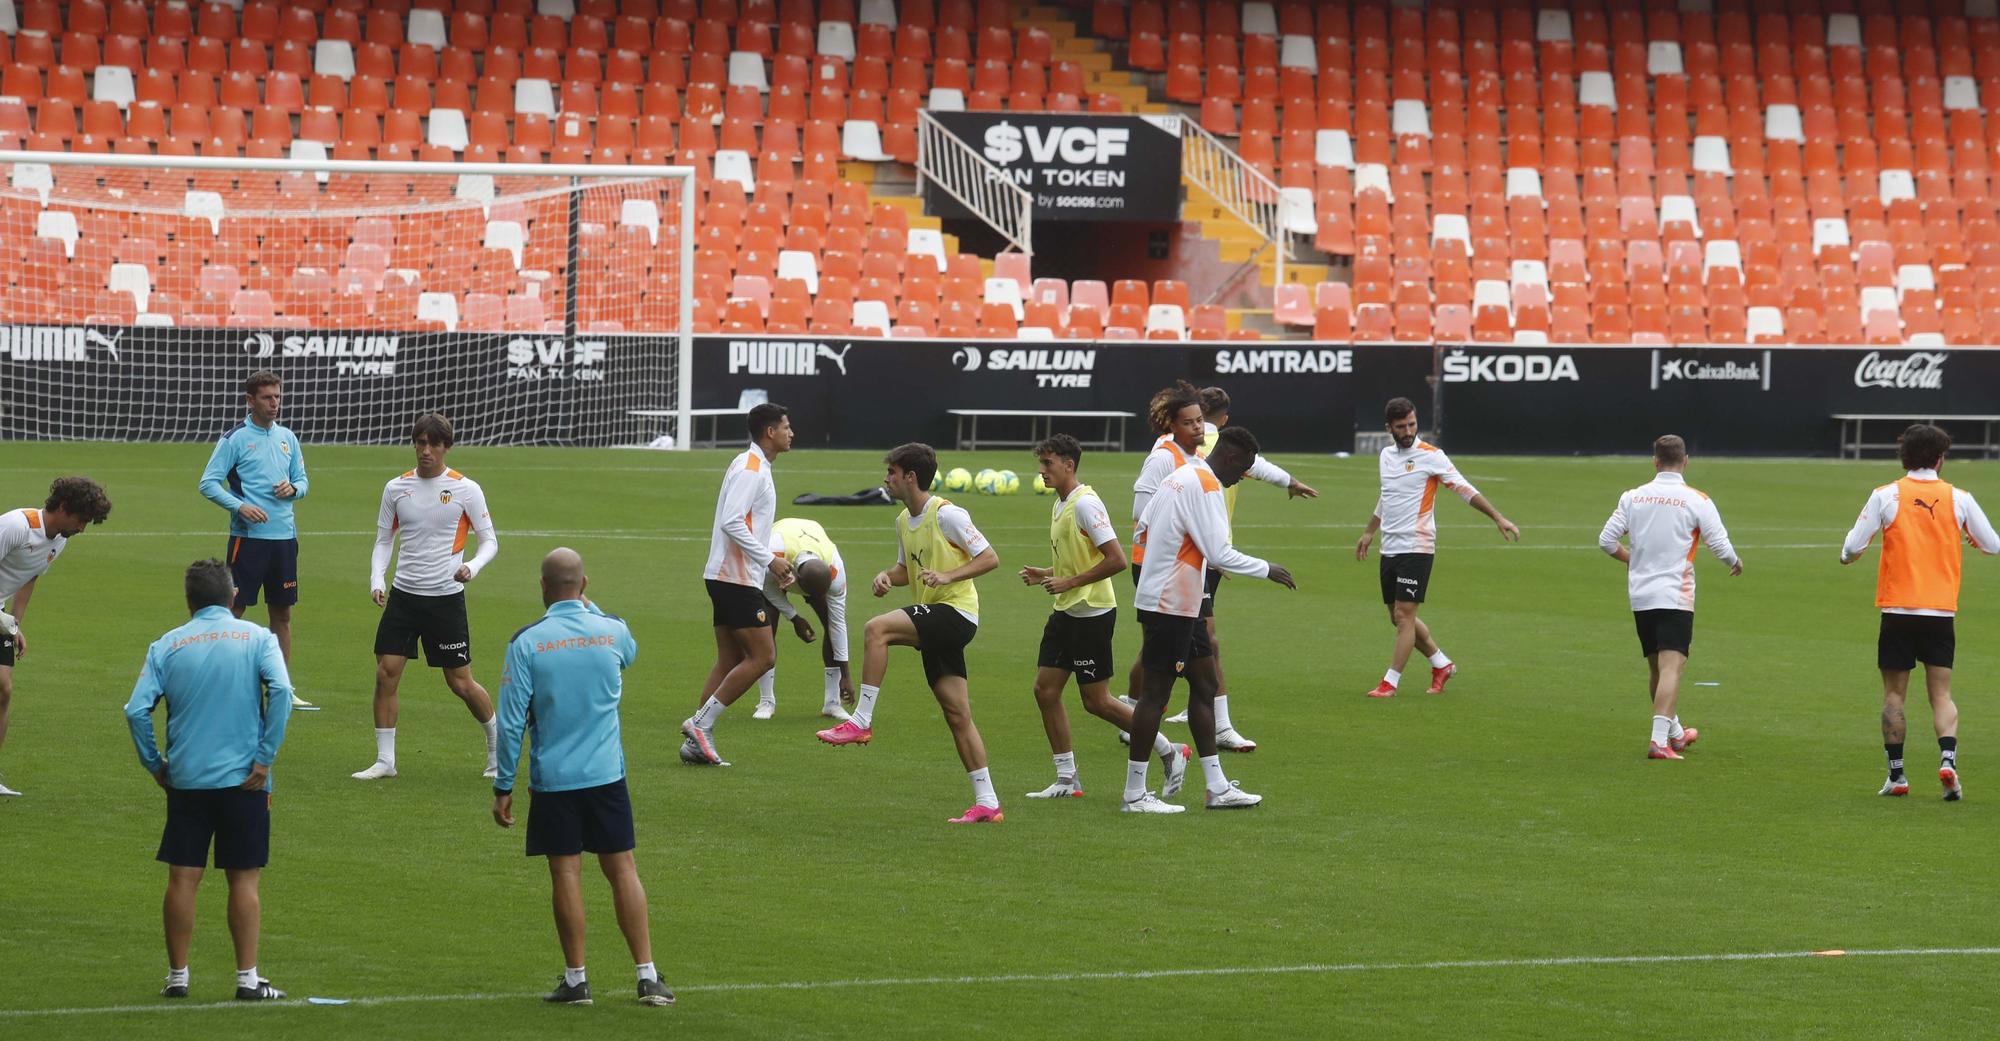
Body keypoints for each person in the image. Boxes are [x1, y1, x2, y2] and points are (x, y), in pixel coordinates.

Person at [493, 549, 672, 1007]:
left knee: (566, 872)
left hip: (555, 779)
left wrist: (503, 786)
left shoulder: (528, 642)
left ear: (542, 586)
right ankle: (648, 976)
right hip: (606, 774)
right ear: (585, 584)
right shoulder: (612, 631)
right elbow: (627, 653)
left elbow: (511, 723)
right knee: (622, 869)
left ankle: (577, 981)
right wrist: (588, 608)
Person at [124, 559, 293, 1001]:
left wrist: (155, 764)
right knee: (243, 878)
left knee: (182, 877)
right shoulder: (259, 638)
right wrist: (265, 757)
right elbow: (282, 693)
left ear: (189, 600)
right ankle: (247, 979)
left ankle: (178, 977)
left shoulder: (167, 645)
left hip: (187, 777)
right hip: (246, 780)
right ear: (233, 595)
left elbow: (136, 709)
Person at [816, 443, 1005, 825]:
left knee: (876, 629)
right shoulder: (903, 520)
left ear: (910, 477)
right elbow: (908, 569)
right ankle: (988, 802)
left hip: (956, 614)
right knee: (958, 714)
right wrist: (889, 576)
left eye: (892, 473)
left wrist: (949, 576)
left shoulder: (948, 515)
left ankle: (861, 720)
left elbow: (990, 557)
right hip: (935, 618)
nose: (886, 479)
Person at [1128, 427, 1296, 812]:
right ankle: (1134, 794)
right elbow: (1220, 553)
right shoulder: (1206, 486)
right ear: (1233, 459)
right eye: (1246, 469)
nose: (1244, 477)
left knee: (1205, 685)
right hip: (1169, 604)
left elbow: (1143, 526)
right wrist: (1266, 568)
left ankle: (1216, 787)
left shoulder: (1181, 475)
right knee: (1154, 696)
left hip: (1185, 602)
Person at [1019, 434, 1190, 799]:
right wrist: (1048, 575)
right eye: (1041, 463)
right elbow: (1077, 559)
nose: (1042, 471)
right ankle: (1067, 780)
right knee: (1045, 690)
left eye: (1048, 464)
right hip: (1066, 610)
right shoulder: (1060, 503)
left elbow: (1115, 558)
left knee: (1096, 701)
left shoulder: (1086, 504)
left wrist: (1069, 581)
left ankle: (1170, 750)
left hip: (1091, 615)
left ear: (1069, 465)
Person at [1840, 423, 2000, 800]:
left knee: (1894, 695)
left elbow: (1851, 545)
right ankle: (1948, 761)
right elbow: (1992, 544)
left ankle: (1896, 776)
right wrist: (1964, 535)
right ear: (1940, 458)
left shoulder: (1886, 494)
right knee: (1941, 695)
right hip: (1940, 611)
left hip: (1897, 609)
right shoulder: (1958, 498)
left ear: (1904, 457)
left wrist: (1850, 557)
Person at [1159, 385, 1320, 749]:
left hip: (1188, 554)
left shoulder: (1175, 445)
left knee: (1180, 641)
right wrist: (1290, 482)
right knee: (1199, 642)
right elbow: (1257, 466)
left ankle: (1145, 711)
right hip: (1195, 558)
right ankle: (1209, 725)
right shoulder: (1210, 453)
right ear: (1225, 420)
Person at [354, 414, 501, 781]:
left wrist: (473, 567)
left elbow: (490, 541)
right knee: (386, 673)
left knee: (460, 682)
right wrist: (377, 579)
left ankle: (500, 749)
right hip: (404, 596)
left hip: (445, 598)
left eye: (433, 444)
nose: (425, 450)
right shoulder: (395, 488)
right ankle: (385, 761)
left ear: (446, 448)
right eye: (420, 443)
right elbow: (384, 540)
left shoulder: (467, 489)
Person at [1356, 397, 1520, 698]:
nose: (1408, 431)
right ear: (1388, 428)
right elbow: (1388, 495)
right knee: (1396, 616)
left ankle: (1390, 682)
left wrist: (1497, 516)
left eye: (1412, 424)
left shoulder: (1432, 456)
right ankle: (1440, 663)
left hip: (1417, 545)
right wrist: (1369, 531)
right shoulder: (1385, 456)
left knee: (1405, 615)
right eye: (1401, 426)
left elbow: (1464, 489)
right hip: (1389, 546)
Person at [1598, 435, 1743, 760]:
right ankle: (1658, 742)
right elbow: (1718, 543)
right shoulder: (1696, 499)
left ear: (1655, 461)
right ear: (1685, 461)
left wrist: (1632, 560)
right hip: (1675, 593)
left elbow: (1607, 541)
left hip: (1641, 593)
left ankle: (1675, 734)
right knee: (1672, 668)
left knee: (1657, 668)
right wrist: (1734, 561)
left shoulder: (1633, 497)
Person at [682, 403, 796, 767]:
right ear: (770, 432)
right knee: (763, 657)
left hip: (729, 575)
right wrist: (770, 560)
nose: (791, 433)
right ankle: (701, 724)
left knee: (730, 658)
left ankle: (696, 742)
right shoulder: (751, 469)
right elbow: (733, 521)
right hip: (734, 577)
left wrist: (770, 567)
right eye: (786, 427)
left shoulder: (753, 465)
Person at [198, 370, 315, 711]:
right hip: (247, 540)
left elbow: (303, 480)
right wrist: (241, 507)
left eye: (277, 396)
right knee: (232, 611)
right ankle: (222, 685)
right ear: (250, 400)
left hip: (284, 540)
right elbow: (208, 483)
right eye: (267, 397)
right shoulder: (234, 439)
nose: (274, 403)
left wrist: (295, 489)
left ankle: (281, 688)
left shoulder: (287, 438)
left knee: (282, 614)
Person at [0, 476, 112, 797]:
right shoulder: (15, 526)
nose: (83, 528)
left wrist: (15, 626)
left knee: (3, 690)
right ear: (62, 507)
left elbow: (29, 577)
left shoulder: (59, 540)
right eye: (81, 520)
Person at [1114, 382, 1208, 743]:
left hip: (1184, 566)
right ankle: (1138, 712)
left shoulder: (1195, 460)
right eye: (1191, 421)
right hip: (1158, 565)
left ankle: (1136, 709)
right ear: (1173, 424)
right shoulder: (1163, 457)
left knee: (1165, 648)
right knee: (1166, 650)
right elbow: (1140, 510)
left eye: (1201, 420)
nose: (1199, 427)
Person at [749, 517, 853, 722]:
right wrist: (795, 617)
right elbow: (768, 589)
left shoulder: (835, 570)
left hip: (813, 549)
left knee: (829, 622)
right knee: (769, 624)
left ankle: (832, 703)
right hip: (780, 557)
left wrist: (846, 675)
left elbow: (838, 624)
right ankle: (766, 701)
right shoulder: (774, 550)